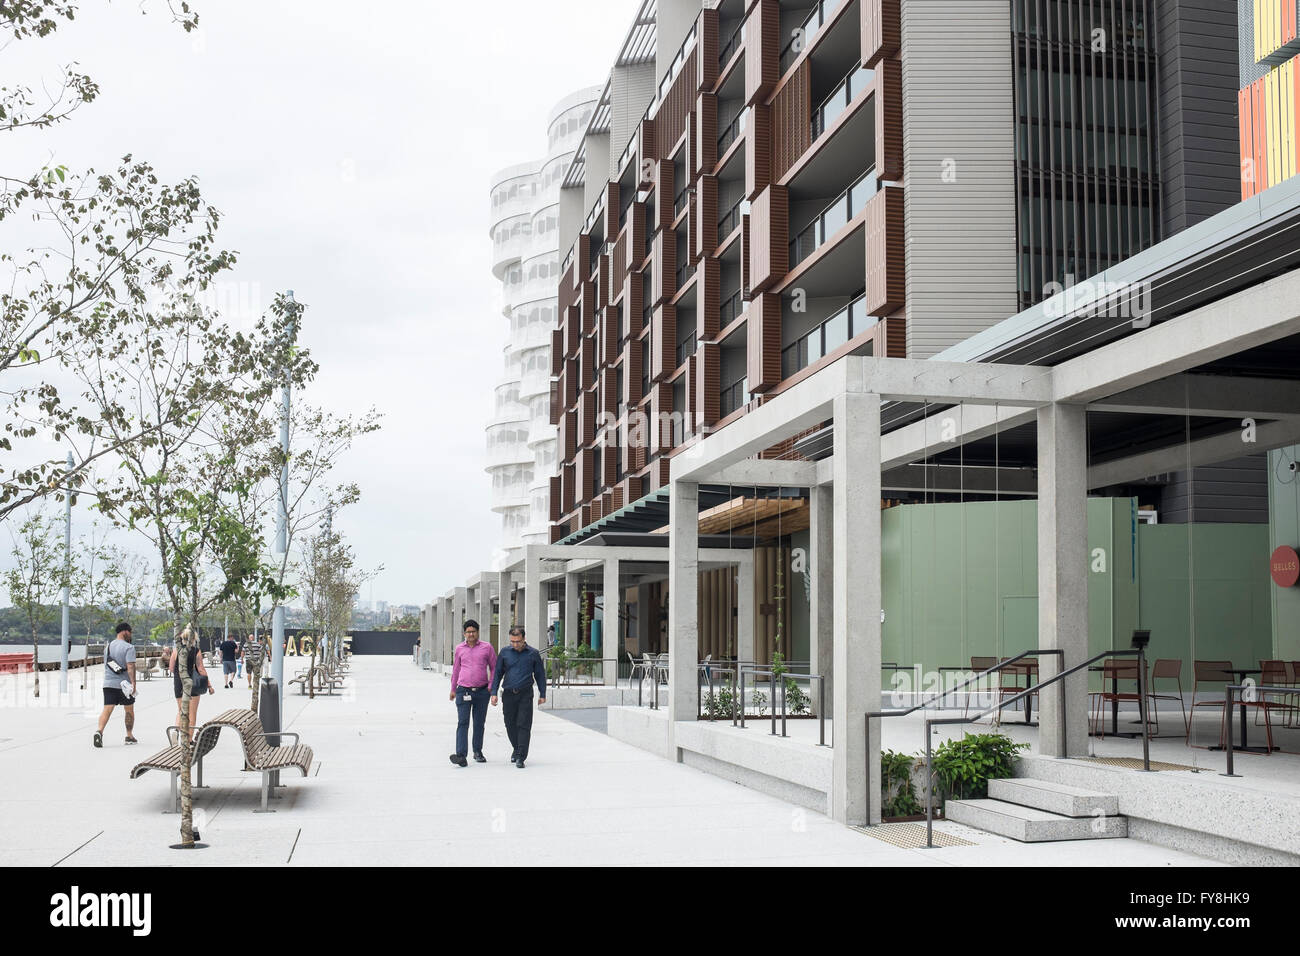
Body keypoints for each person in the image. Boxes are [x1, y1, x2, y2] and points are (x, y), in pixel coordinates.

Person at [490, 625, 547, 769]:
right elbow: (497, 673)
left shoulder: (533, 653)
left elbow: (540, 674)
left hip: (525, 694)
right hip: (508, 694)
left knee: (523, 724)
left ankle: (521, 756)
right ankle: (516, 748)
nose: (515, 644)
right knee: (510, 724)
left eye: (518, 641)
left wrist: (543, 694)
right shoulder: (504, 653)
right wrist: (493, 692)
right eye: (512, 641)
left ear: (524, 639)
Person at [448, 619, 496, 767]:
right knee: (463, 722)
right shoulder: (459, 649)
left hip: (482, 692)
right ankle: (461, 755)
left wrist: (491, 686)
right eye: (468, 632)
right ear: (464, 633)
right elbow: (456, 669)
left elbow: (494, 667)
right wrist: (453, 689)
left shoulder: (487, 647)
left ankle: (477, 751)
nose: (471, 634)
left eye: (473, 631)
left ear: (477, 632)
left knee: (479, 723)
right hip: (463, 691)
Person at [94, 622, 138, 748]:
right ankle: (129, 736)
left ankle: (99, 731)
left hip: (108, 683)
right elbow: (130, 667)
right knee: (129, 710)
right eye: (130, 632)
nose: (131, 635)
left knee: (107, 709)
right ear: (125, 631)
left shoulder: (107, 647)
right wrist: (134, 683)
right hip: (124, 686)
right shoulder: (129, 647)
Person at [169, 629, 215, 738]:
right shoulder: (196, 651)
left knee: (181, 710)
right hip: (192, 684)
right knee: (192, 712)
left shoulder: (176, 650)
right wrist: (209, 685)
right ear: (194, 639)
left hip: (179, 683)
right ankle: (189, 740)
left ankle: (176, 730)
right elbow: (201, 669)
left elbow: (171, 668)